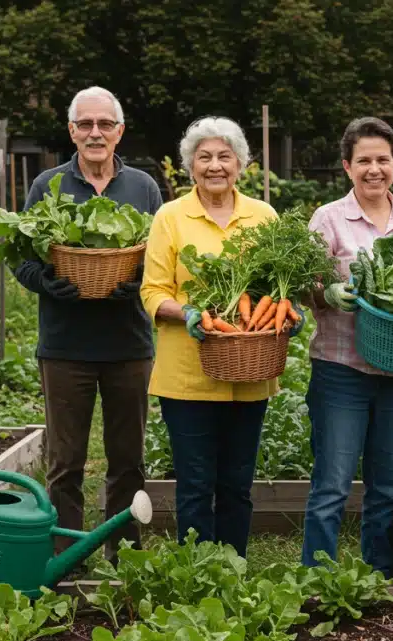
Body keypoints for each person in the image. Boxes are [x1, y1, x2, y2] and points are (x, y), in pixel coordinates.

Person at [13, 86, 163, 563]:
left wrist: (137, 279)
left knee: (127, 461)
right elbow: (21, 257)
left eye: (104, 124)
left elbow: (159, 257)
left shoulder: (144, 186)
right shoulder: (47, 185)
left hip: (128, 345)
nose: (94, 133)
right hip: (65, 346)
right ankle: (65, 557)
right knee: (65, 463)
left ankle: (125, 553)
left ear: (120, 131)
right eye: (85, 124)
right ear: (72, 131)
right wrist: (45, 281)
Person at [140, 117, 296, 557]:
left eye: (224, 156)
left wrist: (287, 311)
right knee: (194, 484)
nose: (214, 166)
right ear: (191, 166)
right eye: (204, 157)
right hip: (186, 376)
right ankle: (197, 573)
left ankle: (233, 569)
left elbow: (275, 283)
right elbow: (152, 291)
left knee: (237, 483)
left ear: (240, 163)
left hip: (249, 371)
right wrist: (187, 312)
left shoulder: (263, 216)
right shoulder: (170, 217)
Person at [302, 117, 393, 576]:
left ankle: (379, 575)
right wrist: (328, 294)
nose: (374, 169)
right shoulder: (328, 218)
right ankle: (318, 577)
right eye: (364, 161)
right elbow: (307, 285)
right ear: (346, 166)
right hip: (341, 370)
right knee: (333, 484)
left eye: (382, 159)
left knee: (387, 484)